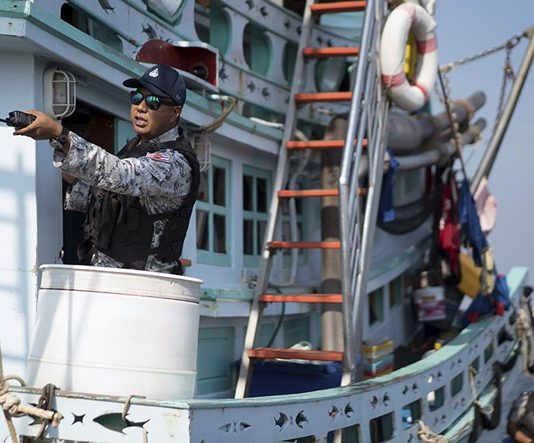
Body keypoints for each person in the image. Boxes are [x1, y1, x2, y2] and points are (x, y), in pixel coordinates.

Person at [15, 64, 200, 274]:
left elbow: (122, 175)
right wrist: (75, 175)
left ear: (175, 112)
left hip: (143, 287)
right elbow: (103, 197)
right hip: (106, 278)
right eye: (137, 97)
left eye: (153, 102)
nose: (141, 107)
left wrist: (60, 135)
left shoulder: (175, 163)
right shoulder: (135, 148)